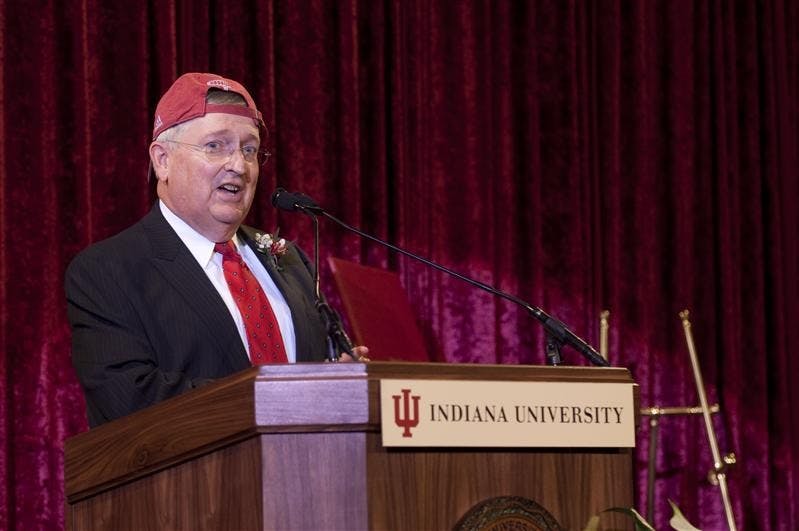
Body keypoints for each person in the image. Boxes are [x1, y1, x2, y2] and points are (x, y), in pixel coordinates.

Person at [65, 73, 367, 427]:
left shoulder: (289, 261)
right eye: (215, 146)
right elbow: (133, 401)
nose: (239, 165)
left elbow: (320, 373)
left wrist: (340, 379)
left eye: (249, 149)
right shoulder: (108, 271)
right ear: (162, 160)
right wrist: (283, 400)